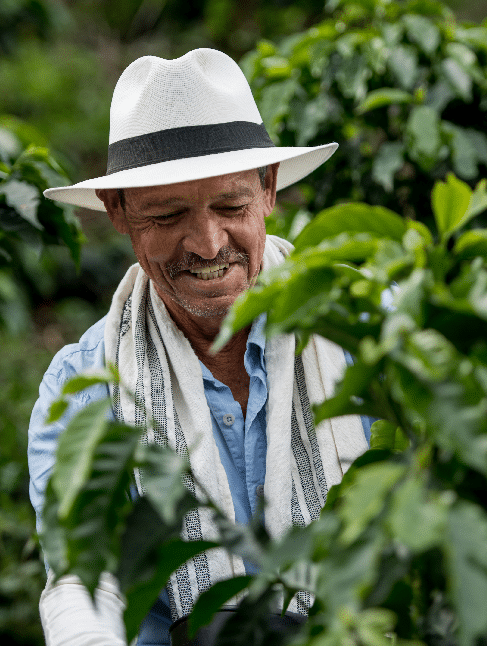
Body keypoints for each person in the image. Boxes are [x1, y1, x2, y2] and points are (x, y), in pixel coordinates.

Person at [28, 48, 372, 646]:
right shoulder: (86, 385)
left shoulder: (368, 327)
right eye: (167, 215)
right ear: (119, 213)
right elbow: (85, 581)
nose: (209, 245)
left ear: (269, 190)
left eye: (231, 207)